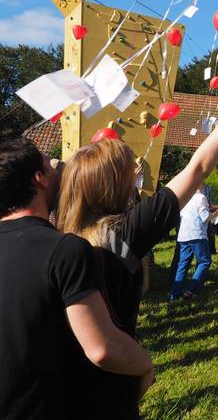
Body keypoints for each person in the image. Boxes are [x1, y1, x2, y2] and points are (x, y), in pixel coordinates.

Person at [57, 63, 218, 416]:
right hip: (113, 384)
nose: (135, 179)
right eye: (129, 175)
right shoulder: (123, 234)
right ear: (114, 187)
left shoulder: (56, 239)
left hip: (62, 387)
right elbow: (197, 168)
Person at [0, 138, 155, 419]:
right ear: (40, 178)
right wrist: (144, 363)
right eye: (50, 165)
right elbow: (101, 349)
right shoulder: (64, 250)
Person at [169, 187, 213, 301]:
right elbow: (206, 218)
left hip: (183, 235)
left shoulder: (185, 198)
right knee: (205, 261)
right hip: (197, 234)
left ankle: (173, 294)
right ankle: (191, 290)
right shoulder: (201, 197)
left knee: (182, 265)